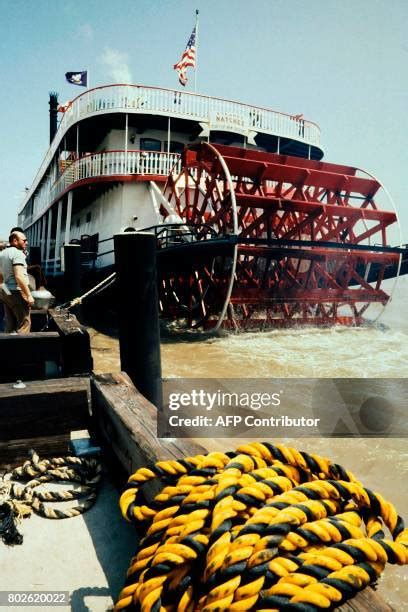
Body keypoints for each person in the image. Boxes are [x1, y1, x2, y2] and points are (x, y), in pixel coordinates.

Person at [0, 231, 34, 333]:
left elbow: (0, 277)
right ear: (15, 241)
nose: (26, 242)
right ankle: (21, 348)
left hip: (5, 291)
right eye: (24, 240)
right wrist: (28, 295)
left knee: (10, 324)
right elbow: (19, 276)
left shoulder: (2, 254)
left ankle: (6, 347)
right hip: (16, 292)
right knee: (25, 324)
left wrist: (5, 291)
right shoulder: (18, 254)